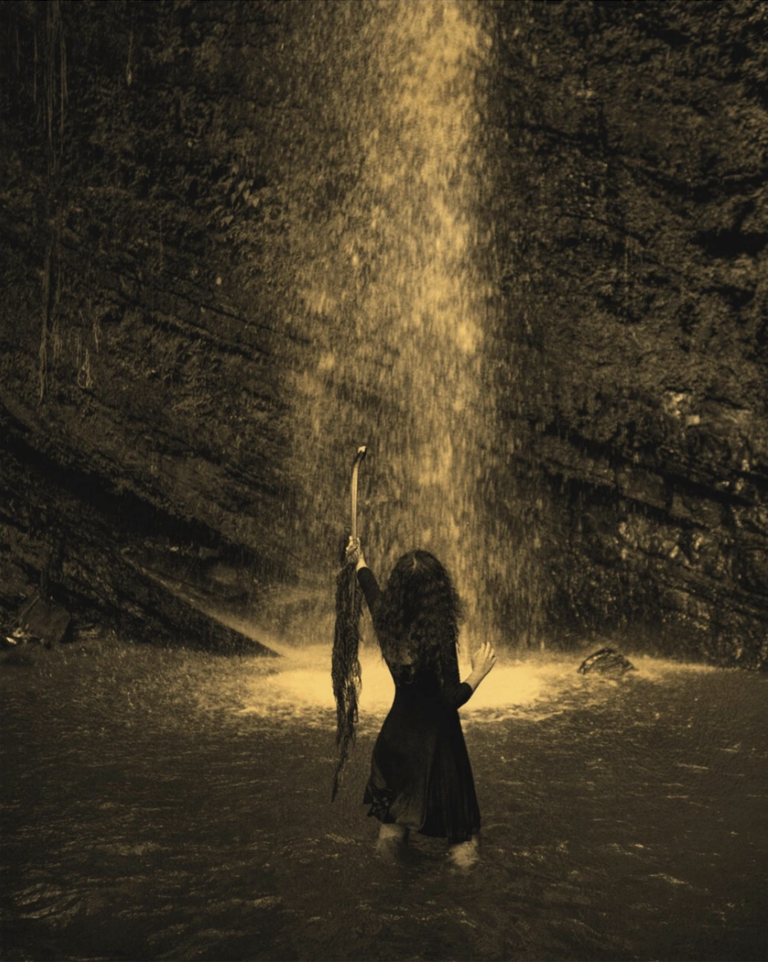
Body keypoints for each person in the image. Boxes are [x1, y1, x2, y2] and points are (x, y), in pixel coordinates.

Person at [345, 537, 497, 866]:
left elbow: (368, 586)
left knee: (392, 826)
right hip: (438, 747)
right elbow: (450, 699)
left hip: (396, 741)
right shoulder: (439, 632)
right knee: (463, 837)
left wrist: (359, 559)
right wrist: (480, 671)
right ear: (438, 591)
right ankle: (462, 907)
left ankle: (390, 897)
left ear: (399, 588)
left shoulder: (385, 618)